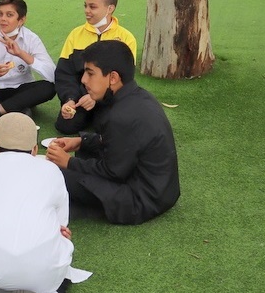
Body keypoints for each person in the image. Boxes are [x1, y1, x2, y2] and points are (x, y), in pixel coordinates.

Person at [0, 113, 91, 293]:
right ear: (34, 149)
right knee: (56, 251)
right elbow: (62, 224)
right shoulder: (52, 171)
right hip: (42, 273)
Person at [46, 40, 181, 225]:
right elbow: (121, 143)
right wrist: (81, 141)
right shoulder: (139, 96)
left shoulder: (121, 116)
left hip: (140, 201)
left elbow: (112, 172)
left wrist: (68, 162)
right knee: (83, 155)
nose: (84, 80)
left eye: (90, 73)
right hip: (162, 191)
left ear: (113, 77)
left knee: (57, 174)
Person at [54, 0, 137, 135]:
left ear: (110, 8)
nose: (87, 10)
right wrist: (69, 99)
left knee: (107, 127)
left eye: (92, 7)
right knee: (64, 126)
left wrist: (97, 98)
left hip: (110, 97)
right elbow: (64, 72)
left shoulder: (126, 38)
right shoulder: (75, 34)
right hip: (80, 96)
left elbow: (125, 79)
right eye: (85, 6)